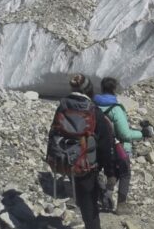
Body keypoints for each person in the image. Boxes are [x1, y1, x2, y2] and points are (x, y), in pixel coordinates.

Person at [48, 74, 114, 229]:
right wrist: (109, 171)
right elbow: (105, 144)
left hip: (67, 160)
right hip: (87, 164)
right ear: (89, 89)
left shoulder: (63, 106)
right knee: (90, 202)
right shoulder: (93, 110)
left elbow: (54, 132)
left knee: (83, 199)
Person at [94, 77, 152, 214]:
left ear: (102, 89)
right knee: (125, 173)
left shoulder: (93, 107)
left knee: (109, 172)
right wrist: (142, 134)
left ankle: (105, 195)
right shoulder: (116, 109)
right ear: (114, 90)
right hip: (117, 147)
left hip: (99, 148)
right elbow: (125, 134)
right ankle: (121, 205)